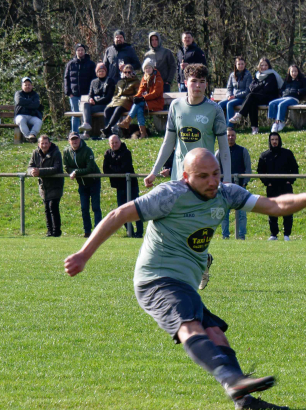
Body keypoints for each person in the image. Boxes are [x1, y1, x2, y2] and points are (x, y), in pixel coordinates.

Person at [64, 148, 306, 410]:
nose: (213, 181)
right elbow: (118, 214)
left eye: (216, 174)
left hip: (183, 285)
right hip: (156, 279)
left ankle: (243, 398)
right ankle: (234, 383)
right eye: (203, 176)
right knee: (190, 326)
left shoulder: (226, 194)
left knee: (217, 335)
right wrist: (84, 254)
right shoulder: (169, 196)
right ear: (186, 177)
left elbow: (275, 204)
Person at [146, 62, 231, 291]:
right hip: (178, 179)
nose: (198, 86)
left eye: (202, 81)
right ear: (185, 82)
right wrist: (155, 171)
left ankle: (200, 263)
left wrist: (228, 179)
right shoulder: (176, 106)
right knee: (172, 226)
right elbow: (169, 142)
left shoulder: (214, 110)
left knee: (193, 226)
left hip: (203, 181)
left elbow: (224, 148)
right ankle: (193, 265)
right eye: (194, 81)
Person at [258, 131, 300, 240]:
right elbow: (260, 172)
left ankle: (287, 234)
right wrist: (267, 183)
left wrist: (290, 181)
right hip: (272, 187)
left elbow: (295, 169)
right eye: (272, 140)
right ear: (269, 141)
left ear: (279, 140)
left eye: (276, 139)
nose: (274, 142)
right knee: (271, 210)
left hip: (285, 187)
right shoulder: (264, 156)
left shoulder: (287, 153)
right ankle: (273, 234)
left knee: (288, 209)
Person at [229, 57, 283, 134]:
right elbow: (251, 87)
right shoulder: (257, 75)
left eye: (265, 65)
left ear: (269, 66)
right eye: (262, 65)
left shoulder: (272, 75)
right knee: (252, 102)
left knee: (251, 96)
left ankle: (239, 115)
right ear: (259, 66)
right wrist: (261, 85)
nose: (264, 67)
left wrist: (258, 86)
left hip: (270, 98)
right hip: (259, 97)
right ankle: (254, 128)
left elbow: (267, 89)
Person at [103, 134, 143, 237]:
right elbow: (105, 170)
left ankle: (139, 233)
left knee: (136, 209)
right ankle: (130, 232)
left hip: (131, 185)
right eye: (112, 143)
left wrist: (112, 168)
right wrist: (114, 169)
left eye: (116, 142)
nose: (114, 144)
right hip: (119, 186)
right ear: (109, 144)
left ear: (120, 142)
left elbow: (124, 169)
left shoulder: (126, 153)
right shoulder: (107, 153)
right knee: (121, 211)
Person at [64, 131, 102, 237]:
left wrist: (76, 172)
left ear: (80, 139)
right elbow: (67, 167)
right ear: (69, 141)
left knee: (95, 207)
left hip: (93, 181)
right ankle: (87, 231)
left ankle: (98, 231)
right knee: (84, 208)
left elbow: (89, 168)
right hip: (81, 183)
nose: (74, 141)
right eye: (72, 139)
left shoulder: (87, 151)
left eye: (76, 138)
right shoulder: (67, 152)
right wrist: (74, 172)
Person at [216, 127, 251, 239]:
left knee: (241, 214)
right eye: (228, 135)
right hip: (223, 188)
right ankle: (225, 236)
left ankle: (241, 236)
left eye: (232, 135)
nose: (230, 137)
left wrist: (244, 184)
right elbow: (215, 170)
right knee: (224, 215)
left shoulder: (243, 151)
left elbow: (248, 170)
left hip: (240, 187)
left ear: (235, 137)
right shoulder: (219, 152)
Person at [29, 134, 65, 237]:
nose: (44, 145)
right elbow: (30, 166)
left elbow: (56, 168)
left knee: (53, 207)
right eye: (42, 143)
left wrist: (39, 171)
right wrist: (32, 171)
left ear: (49, 144)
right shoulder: (35, 153)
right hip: (44, 186)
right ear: (38, 144)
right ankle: (49, 232)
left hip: (55, 184)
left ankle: (56, 232)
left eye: (46, 143)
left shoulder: (56, 152)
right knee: (46, 208)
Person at [267, 63, 306, 133]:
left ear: (298, 72)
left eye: (295, 71)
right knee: (271, 103)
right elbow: (282, 89)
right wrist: (283, 93)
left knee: (281, 105)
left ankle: (281, 121)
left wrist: (300, 91)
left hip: (294, 99)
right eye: (292, 71)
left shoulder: (303, 80)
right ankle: (275, 122)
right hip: (284, 98)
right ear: (289, 72)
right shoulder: (287, 81)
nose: (294, 73)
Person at [101, 63, 141, 139]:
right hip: (117, 100)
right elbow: (115, 92)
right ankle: (108, 131)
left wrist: (130, 98)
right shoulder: (120, 82)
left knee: (118, 109)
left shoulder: (136, 81)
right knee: (107, 110)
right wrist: (114, 98)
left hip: (127, 101)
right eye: (125, 72)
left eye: (129, 72)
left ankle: (108, 128)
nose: (127, 74)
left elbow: (137, 94)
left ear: (132, 72)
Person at [126, 58, 164, 138]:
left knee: (139, 103)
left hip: (156, 102)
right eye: (146, 68)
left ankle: (127, 120)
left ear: (152, 68)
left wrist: (143, 98)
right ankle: (143, 133)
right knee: (139, 108)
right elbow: (141, 90)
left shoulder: (158, 78)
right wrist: (136, 97)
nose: (148, 69)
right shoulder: (144, 78)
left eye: (149, 67)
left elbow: (156, 93)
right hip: (147, 102)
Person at [63, 43, 96, 135]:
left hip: (86, 94)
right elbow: (66, 79)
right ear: (75, 51)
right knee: (75, 114)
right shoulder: (70, 64)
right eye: (78, 50)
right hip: (74, 94)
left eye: (82, 50)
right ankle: (74, 133)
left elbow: (94, 80)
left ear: (85, 51)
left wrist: (91, 94)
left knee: (85, 113)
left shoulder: (91, 64)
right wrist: (68, 92)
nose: (80, 52)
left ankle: (86, 133)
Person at [80, 62, 113, 138]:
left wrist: (96, 101)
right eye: (99, 71)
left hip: (105, 105)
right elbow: (90, 94)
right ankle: (86, 125)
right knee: (85, 104)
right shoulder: (93, 82)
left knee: (88, 109)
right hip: (95, 105)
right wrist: (90, 99)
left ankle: (87, 133)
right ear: (96, 72)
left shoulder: (110, 81)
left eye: (102, 71)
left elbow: (108, 97)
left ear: (105, 72)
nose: (101, 73)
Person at [223, 57, 252, 121]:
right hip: (232, 97)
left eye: (242, 64)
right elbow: (229, 88)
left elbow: (247, 91)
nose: (241, 66)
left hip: (242, 98)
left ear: (245, 64)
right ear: (236, 65)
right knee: (220, 104)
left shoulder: (248, 75)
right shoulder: (232, 75)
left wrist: (235, 96)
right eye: (239, 64)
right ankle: (219, 125)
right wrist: (229, 96)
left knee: (229, 104)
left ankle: (230, 127)